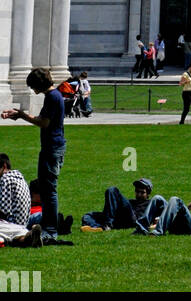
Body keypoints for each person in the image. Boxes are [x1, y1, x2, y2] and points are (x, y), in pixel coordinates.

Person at [1, 68, 67, 242]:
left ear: (39, 84)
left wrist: (22, 115)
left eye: (33, 86)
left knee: (48, 191)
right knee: (47, 190)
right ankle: (50, 226)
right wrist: (20, 115)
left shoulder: (53, 97)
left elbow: (43, 122)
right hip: (53, 146)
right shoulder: (54, 96)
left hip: (51, 148)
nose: (32, 90)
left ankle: (51, 230)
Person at [81, 177, 162, 232]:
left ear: (148, 194)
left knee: (112, 190)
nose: (139, 194)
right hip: (120, 220)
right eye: (137, 191)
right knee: (88, 215)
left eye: (142, 192)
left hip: (134, 220)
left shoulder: (151, 203)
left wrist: (157, 221)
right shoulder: (131, 202)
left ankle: (107, 225)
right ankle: (97, 227)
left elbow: (164, 213)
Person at [0, 153, 40, 247]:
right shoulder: (19, 177)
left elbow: (4, 210)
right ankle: (28, 237)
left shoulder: (5, 179)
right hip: (22, 225)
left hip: (12, 224)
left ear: (4, 166)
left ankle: (27, 237)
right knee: (16, 237)